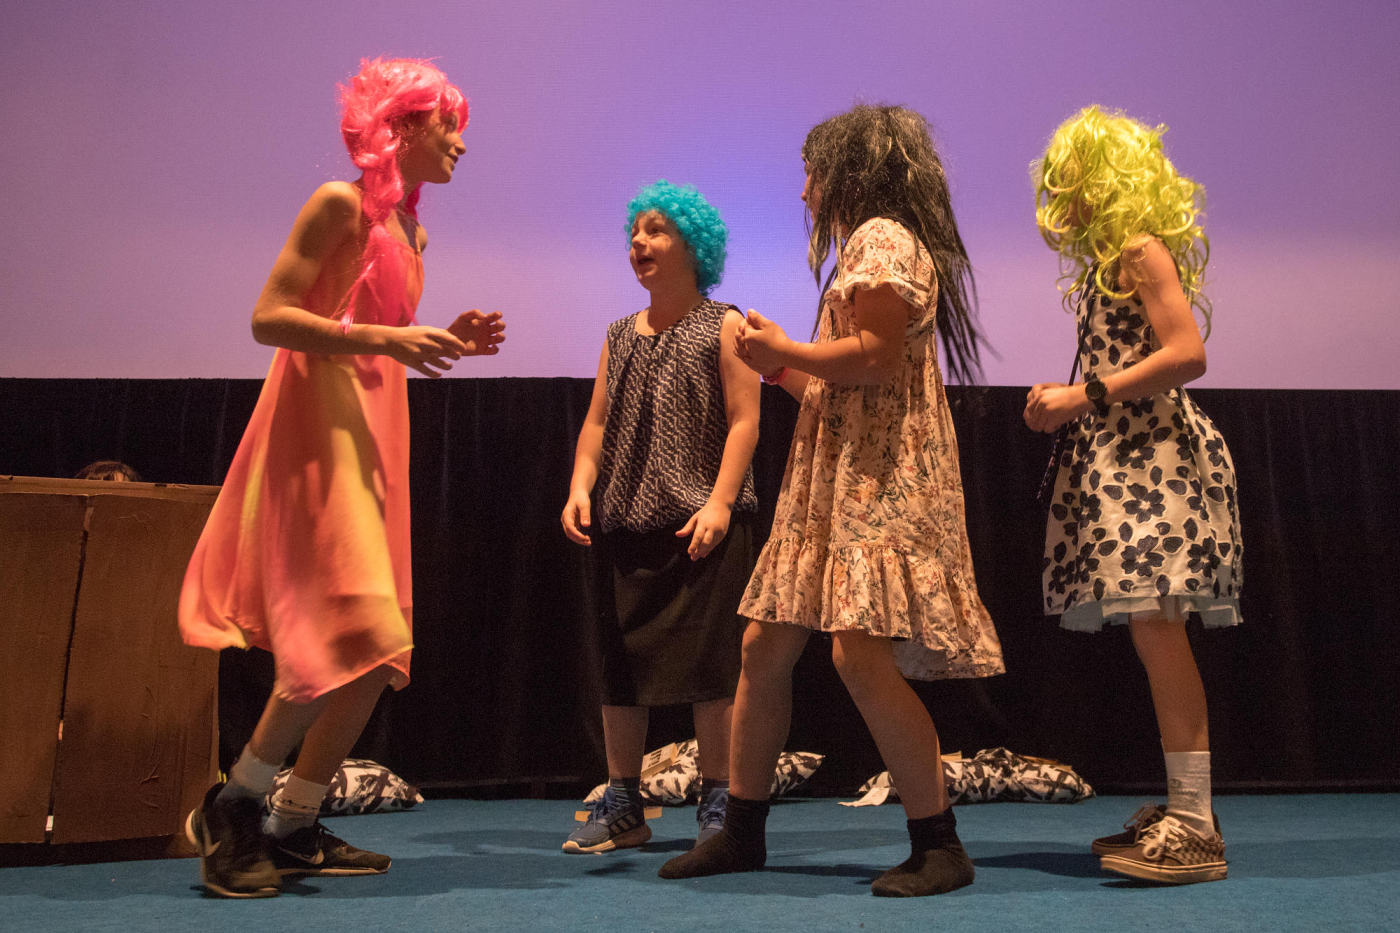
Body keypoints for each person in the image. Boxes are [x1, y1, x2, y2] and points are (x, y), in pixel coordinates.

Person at [178, 57, 504, 898]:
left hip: (374, 439)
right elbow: (269, 317)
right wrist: (389, 339)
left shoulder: (411, 232)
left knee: (381, 651)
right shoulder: (338, 204)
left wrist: (442, 337)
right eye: (448, 125)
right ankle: (234, 803)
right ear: (401, 126)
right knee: (342, 630)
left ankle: (292, 822)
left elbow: (384, 334)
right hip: (318, 435)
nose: (461, 142)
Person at [658, 105, 1004, 897]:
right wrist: (782, 366)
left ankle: (940, 843)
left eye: (812, 173)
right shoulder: (867, 247)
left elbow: (876, 357)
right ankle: (740, 830)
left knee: (858, 653)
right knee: (763, 646)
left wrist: (786, 348)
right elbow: (841, 385)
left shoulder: (882, 238)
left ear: (850, 171)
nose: (805, 190)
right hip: (836, 481)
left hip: (877, 482)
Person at [1024, 105, 1242, 884]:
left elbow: (1188, 353)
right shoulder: (1112, 261)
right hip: (1130, 464)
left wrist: (1083, 394)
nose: (1066, 195)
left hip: (1157, 466)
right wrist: (1071, 399)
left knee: (1159, 629)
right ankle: (1189, 808)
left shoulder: (1140, 250)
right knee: (1155, 631)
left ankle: (1195, 824)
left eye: (1074, 177)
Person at [561, 180, 760, 854]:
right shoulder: (619, 335)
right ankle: (624, 803)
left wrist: (720, 502)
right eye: (634, 233)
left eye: (656, 230)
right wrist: (580, 485)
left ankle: (719, 804)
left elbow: (745, 420)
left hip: (700, 526)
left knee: (714, 669)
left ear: (693, 246)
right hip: (626, 522)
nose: (639, 243)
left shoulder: (726, 325)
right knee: (620, 670)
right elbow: (596, 423)